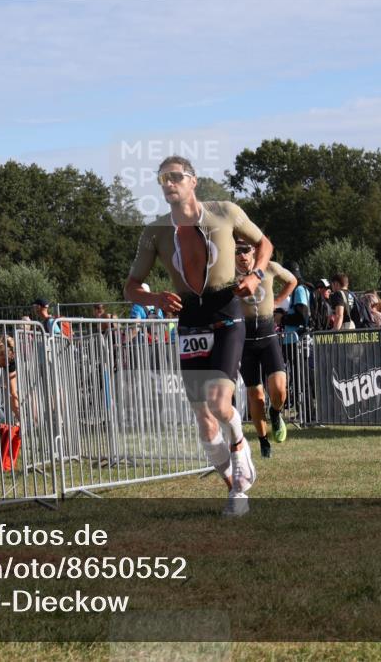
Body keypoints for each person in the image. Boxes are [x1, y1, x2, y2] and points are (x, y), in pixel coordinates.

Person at [124, 155, 274, 516]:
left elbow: (264, 243)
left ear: (193, 181)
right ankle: (237, 492)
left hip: (225, 309)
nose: (168, 184)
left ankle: (241, 452)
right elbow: (130, 287)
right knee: (204, 422)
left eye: (175, 177)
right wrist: (154, 297)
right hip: (190, 317)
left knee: (221, 403)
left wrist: (255, 273)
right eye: (163, 179)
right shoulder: (155, 232)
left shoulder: (225, 211)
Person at [234, 238, 295, 458]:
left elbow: (292, 280)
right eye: (236, 251)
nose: (241, 256)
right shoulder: (229, 275)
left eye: (245, 250)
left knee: (279, 390)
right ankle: (263, 441)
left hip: (269, 336)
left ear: (253, 252)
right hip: (245, 342)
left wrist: (277, 301)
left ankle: (276, 412)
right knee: (256, 394)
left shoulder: (268, 266)